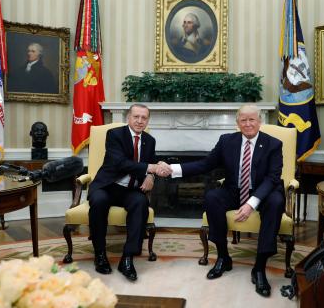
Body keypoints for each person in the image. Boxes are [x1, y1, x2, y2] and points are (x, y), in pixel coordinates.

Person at [161, 104, 285, 297]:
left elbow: (272, 178)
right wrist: (172, 169)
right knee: (212, 197)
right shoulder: (227, 141)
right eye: (243, 120)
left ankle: (259, 267)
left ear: (260, 121)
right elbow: (206, 164)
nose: (248, 123)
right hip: (234, 190)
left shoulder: (273, 144)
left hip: (264, 193)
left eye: (252, 119)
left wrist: (251, 203)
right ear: (237, 123)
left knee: (276, 202)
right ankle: (223, 257)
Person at [87, 104, 167, 281]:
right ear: (128, 118)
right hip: (107, 185)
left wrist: (151, 176)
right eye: (136, 117)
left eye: (144, 118)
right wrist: (150, 167)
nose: (139, 121)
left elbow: (151, 163)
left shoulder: (149, 140)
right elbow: (120, 163)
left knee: (141, 203)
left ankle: (127, 258)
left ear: (147, 121)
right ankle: (100, 254)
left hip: (130, 189)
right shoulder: (115, 135)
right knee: (98, 201)